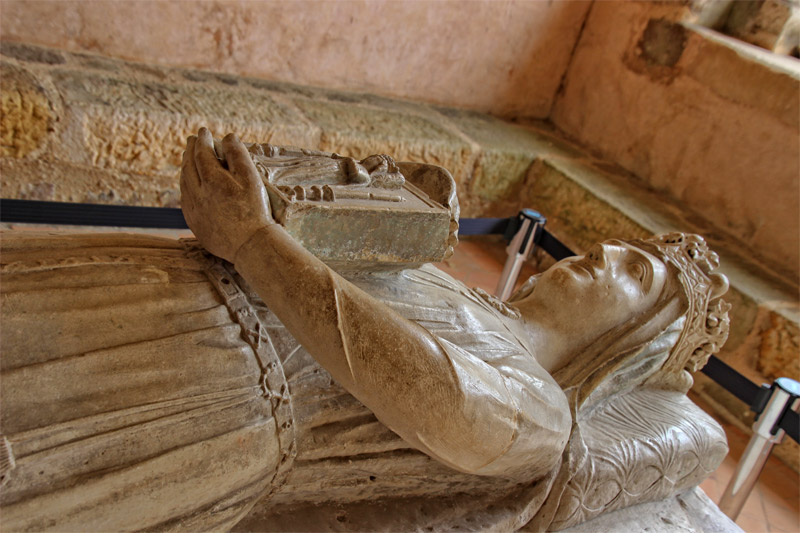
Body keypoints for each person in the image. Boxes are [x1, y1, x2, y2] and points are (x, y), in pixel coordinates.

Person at [0, 129, 730, 531]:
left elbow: (442, 399)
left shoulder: (540, 409)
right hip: (182, 288)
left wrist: (256, 239)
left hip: (218, 390)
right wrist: (371, 194)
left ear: (637, 345)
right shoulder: (465, 291)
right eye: (615, 250)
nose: (601, 257)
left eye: (633, 276)